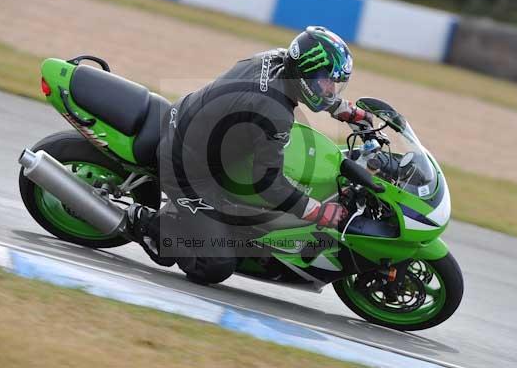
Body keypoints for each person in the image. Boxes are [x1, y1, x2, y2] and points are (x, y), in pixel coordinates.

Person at [128, 26, 373, 284]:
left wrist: (348, 111)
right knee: (217, 264)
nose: (330, 89)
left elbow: (310, 90)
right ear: (307, 73)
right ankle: (148, 223)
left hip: (192, 123)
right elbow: (268, 184)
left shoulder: (277, 59)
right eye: (327, 81)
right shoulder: (275, 111)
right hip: (187, 169)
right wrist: (317, 212)